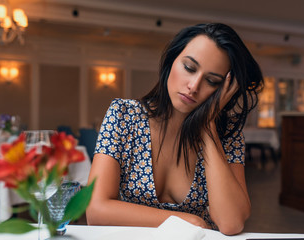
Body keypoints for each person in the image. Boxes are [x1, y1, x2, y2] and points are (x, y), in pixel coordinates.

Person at [85, 23, 263, 235]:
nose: (194, 86)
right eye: (189, 68)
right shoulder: (123, 115)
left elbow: (231, 223)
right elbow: (95, 210)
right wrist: (185, 220)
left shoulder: (227, 134)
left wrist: (208, 130)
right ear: (172, 61)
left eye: (212, 81)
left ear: (225, 90)